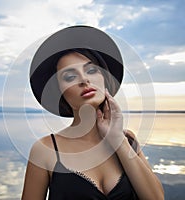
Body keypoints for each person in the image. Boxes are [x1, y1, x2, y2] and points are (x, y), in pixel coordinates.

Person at [22, 25, 164, 200]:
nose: (84, 79)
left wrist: (117, 140)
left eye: (91, 70)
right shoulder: (45, 149)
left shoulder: (127, 140)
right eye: (70, 76)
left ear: (104, 78)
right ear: (59, 92)